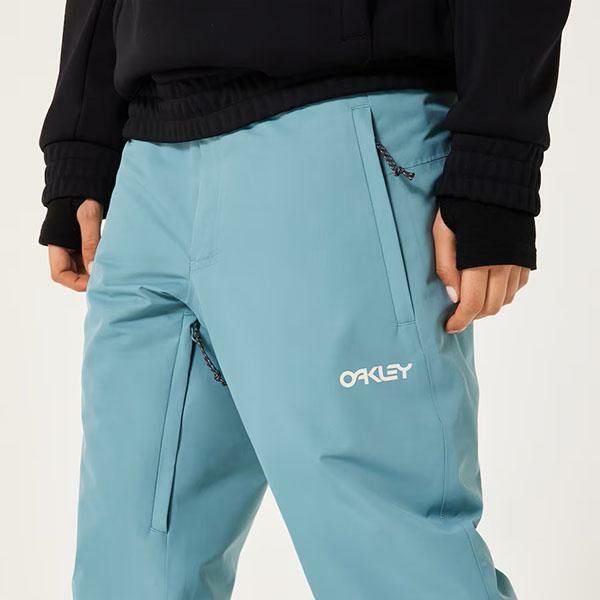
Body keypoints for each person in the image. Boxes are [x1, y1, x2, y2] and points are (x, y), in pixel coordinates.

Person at [38, 1, 571, 598]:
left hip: (339, 134)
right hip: (147, 169)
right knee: (126, 571)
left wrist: (497, 159)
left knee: (395, 567)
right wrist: (81, 143)